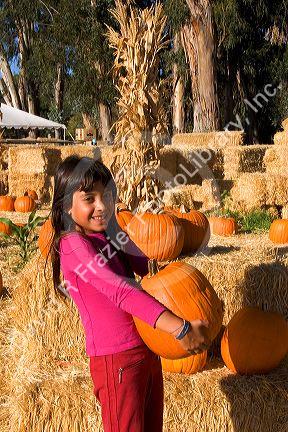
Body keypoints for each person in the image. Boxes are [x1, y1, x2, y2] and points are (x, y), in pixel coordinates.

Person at [50, 155, 210, 432]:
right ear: (66, 205)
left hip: (147, 351)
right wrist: (180, 328)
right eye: (89, 199)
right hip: (117, 362)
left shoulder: (110, 233)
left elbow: (149, 268)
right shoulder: (73, 245)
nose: (102, 206)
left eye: (107, 196)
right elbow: (120, 290)